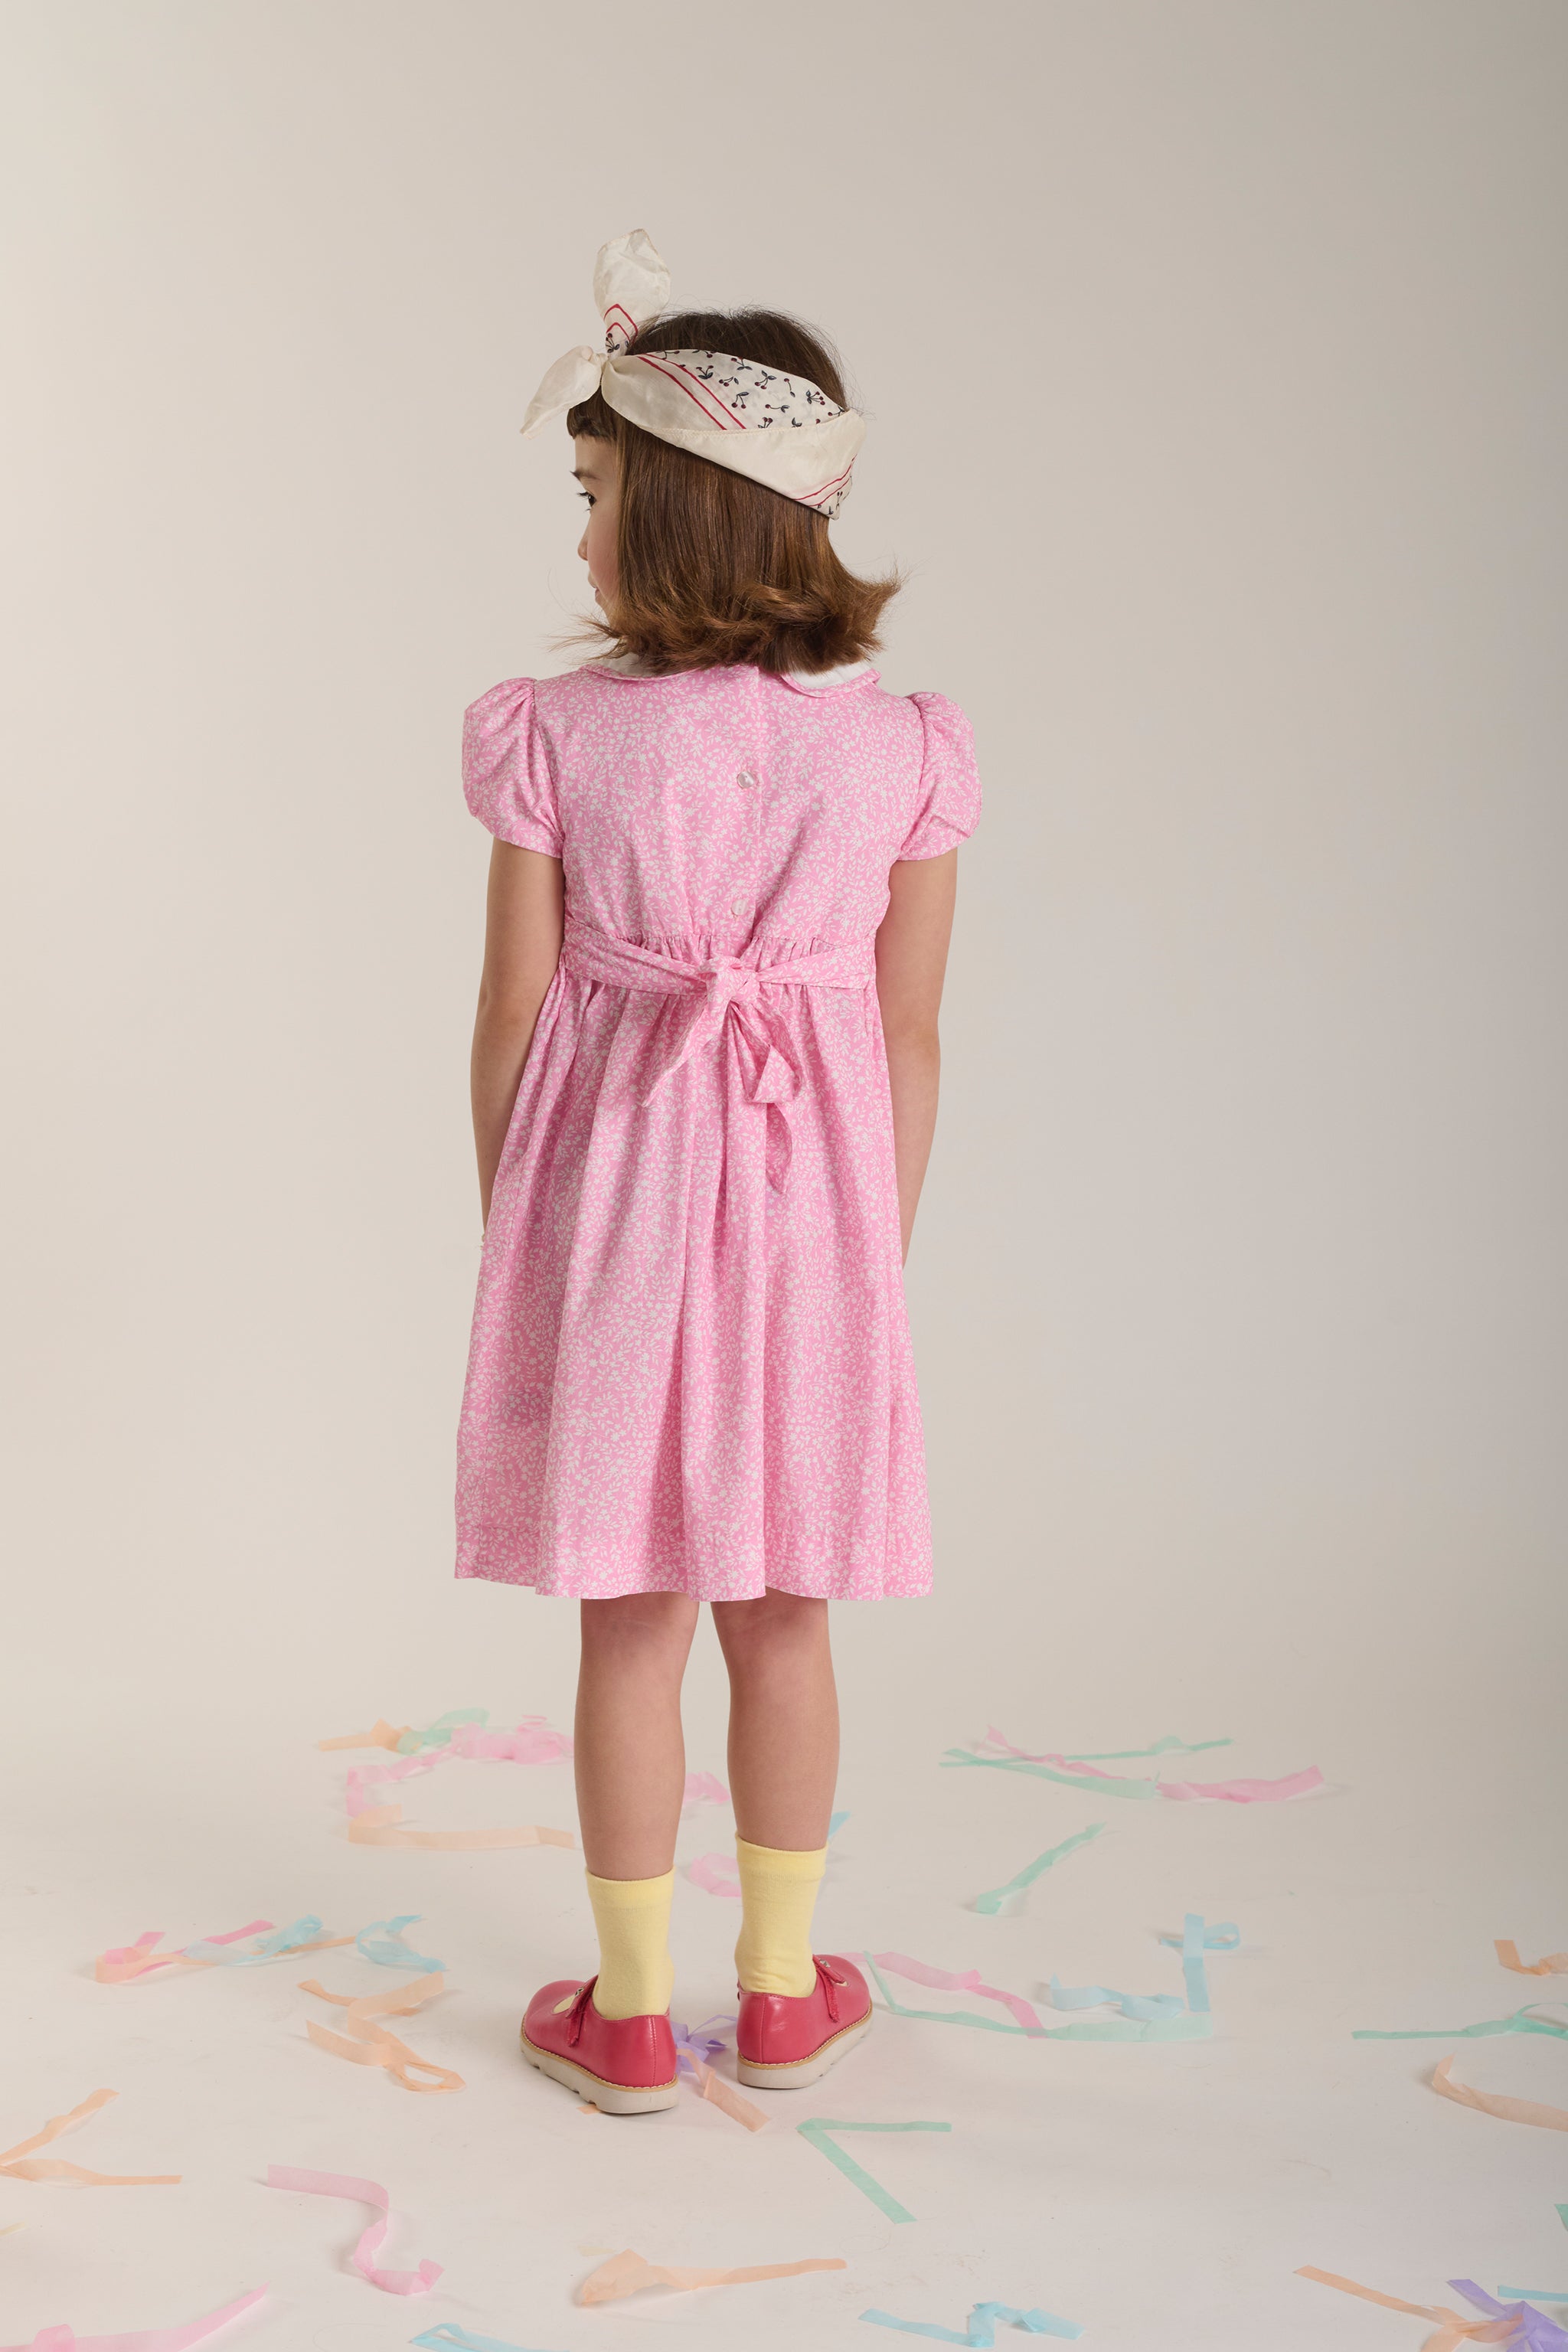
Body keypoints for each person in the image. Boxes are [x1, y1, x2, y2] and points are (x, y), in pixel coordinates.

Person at [456, 234, 981, 2114]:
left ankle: (622, 2010)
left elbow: (514, 1016)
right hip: (811, 1231)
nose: (579, 541)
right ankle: (775, 1993)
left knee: (631, 1616)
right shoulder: (906, 754)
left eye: (595, 498)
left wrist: (523, 1226)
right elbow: (907, 1038)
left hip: (605, 1219)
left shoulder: (557, 734)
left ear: (676, 515)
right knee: (783, 1614)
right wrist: (868, 1246)